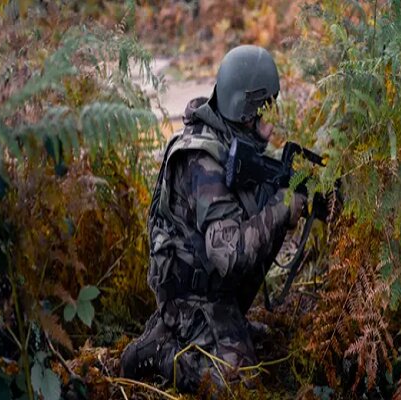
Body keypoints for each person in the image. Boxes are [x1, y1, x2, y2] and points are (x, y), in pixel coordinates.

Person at [119, 45, 307, 391]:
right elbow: (227, 255)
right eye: (267, 110)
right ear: (247, 111)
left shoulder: (235, 145)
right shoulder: (204, 161)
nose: (273, 122)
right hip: (188, 298)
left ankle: (222, 326)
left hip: (216, 295)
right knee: (237, 387)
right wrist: (282, 208)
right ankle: (159, 349)